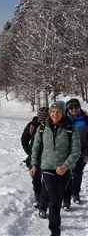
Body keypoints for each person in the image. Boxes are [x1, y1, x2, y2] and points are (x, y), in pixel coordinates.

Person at [31, 101, 80, 236]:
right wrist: (34, 164)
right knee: (56, 197)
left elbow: (76, 150)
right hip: (46, 166)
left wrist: (66, 166)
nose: (55, 114)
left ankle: (42, 206)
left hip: (63, 168)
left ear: (63, 113)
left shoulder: (70, 128)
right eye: (52, 112)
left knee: (50, 192)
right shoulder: (42, 128)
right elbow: (35, 147)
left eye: (58, 112)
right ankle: (55, 229)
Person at [21, 106, 49, 219]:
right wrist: (30, 153)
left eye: (45, 115)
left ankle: (44, 200)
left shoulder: (52, 125)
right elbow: (24, 140)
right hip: (34, 159)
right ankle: (38, 198)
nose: (42, 118)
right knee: (36, 179)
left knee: (47, 180)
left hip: (48, 158)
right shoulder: (32, 125)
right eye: (41, 115)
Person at [62, 98, 88, 208]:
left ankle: (75, 194)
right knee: (66, 175)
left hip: (82, 152)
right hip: (66, 153)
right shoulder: (63, 119)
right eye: (71, 108)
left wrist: (87, 153)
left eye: (76, 107)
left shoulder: (86, 119)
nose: (74, 110)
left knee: (77, 174)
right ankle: (65, 197)